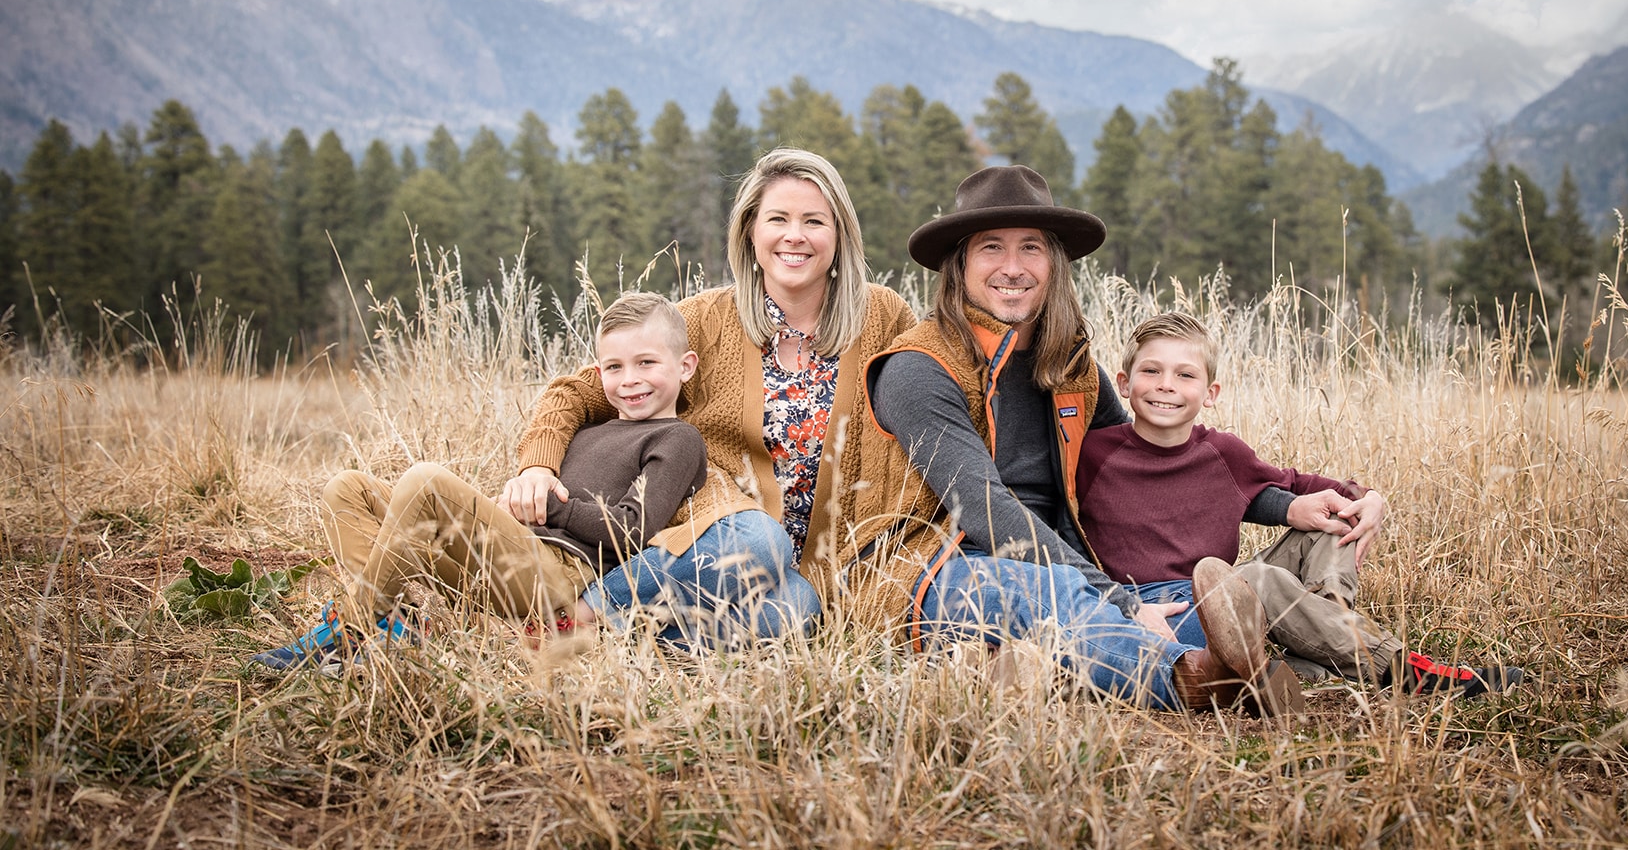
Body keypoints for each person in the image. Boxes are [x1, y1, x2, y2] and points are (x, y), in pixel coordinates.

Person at [841, 165, 1299, 714]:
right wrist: (1116, 599)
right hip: (925, 571)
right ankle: (1194, 678)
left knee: (1182, 601)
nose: (1013, 268)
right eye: (991, 248)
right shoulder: (918, 369)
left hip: (1068, 570)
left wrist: (1288, 505)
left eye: (1030, 248)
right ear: (959, 264)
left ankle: (1031, 669)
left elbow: (1150, 462)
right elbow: (984, 510)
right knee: (1054, 597)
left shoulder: (1074, 373)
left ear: (1053, 264)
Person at [498, 148, 916, 649]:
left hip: (816, 567)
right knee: (763, 540)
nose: (795, 236)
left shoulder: (883, 315)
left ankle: (619, 637)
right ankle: (582, 616)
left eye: (814, 221)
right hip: (718, 536)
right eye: (777, 218)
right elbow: (578, 391)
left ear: (840, 234)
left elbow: (923, 393)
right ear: (750, 232)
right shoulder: (704, 319)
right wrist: (536, 468)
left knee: (796, 616)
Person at [250, 291, 709, 672]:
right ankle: (394, 628)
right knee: (347, 489)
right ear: (598, 371)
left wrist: (554, 508)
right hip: (512, 556)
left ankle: (354, 627)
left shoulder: (678, 437)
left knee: (427, 481)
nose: (629, 380)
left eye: (646, 363)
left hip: (561, 578)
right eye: (614, 367)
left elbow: (634, 527)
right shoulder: (591, 429)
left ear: (685, 366)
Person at [1077, 311, 1524, 698]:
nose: (1166, 386)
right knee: (1252, 579)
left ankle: (1320, 647)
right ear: (1123, 383)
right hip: (1164, 617)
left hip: (1230, 605)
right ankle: (1400, 669)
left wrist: (1369, 499)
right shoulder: (1093, 452)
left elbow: (1301, 484)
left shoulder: (1223, 453)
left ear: (1211, 392)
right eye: (1151, 372)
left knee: (1330, 522)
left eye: (1185, 375)